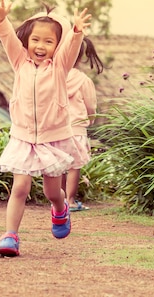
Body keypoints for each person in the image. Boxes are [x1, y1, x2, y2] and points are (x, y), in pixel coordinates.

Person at [0, 0, 92, 257]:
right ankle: (10, 235)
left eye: (48, 41)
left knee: (51, 191)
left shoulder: (59, 68)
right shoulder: (20, 63)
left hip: (52, 138)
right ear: (27, 42)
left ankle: (60, 209)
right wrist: (1, 21)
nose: (40, 46)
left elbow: (70, 49)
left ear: (57, 46)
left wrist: (76, 32)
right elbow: (8, 39)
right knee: (20, 187)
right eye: (35, 40)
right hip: (23, 137)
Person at [61, 36, 104, 212]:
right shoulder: (83, 80)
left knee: (59, 166)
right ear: (80, 57)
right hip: (77, 127)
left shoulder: (54, 76)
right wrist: (90, 120)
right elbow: (90, 106)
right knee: (74, 166)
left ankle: (58, 199)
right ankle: (70, 201)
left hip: (57, 128)